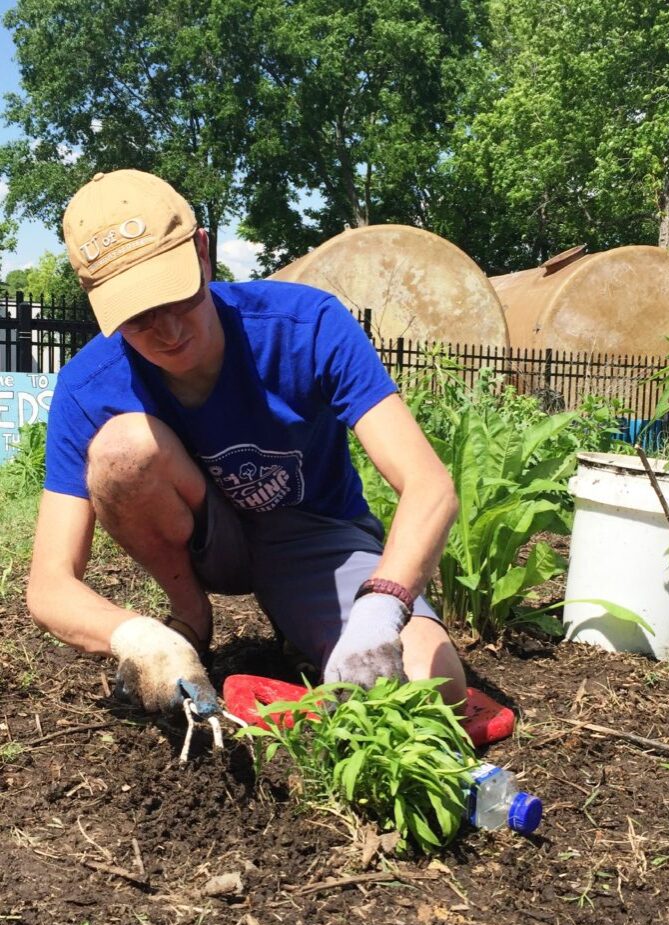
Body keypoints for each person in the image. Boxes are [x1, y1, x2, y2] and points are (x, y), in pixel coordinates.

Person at [26, 168, 466, 718]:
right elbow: (48, 584)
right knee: (121, 450)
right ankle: (191, 618)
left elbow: (430, 484)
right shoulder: (90, 385)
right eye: (138, 316)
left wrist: (381, 607)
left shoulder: (305, 325)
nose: (167, 331)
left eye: (176, 296)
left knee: (432, 683)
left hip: (313, 535)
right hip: (202, 541)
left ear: (203, 251)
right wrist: (137, 636)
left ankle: (303, 622)